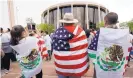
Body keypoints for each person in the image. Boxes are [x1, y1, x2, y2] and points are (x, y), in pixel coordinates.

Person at [88, 12, 132, 78]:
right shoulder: (123, 34)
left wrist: (95, 60)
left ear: (106, 21)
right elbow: (128, 48)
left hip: (101, 67)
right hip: (117, 68)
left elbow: (92, 48)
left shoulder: (100, 32)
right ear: (116, 21)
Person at [52, 13, 89, 78]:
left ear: (63, 22)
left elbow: (54, 47)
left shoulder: (57, 32)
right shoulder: (80, 32)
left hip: (61, 66)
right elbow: (85, 47)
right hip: (76, 67)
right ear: (73, 22)